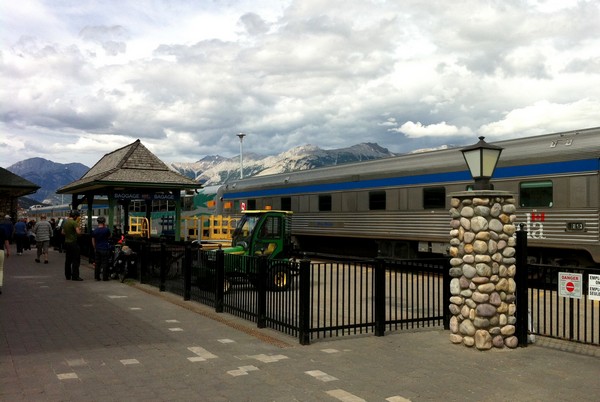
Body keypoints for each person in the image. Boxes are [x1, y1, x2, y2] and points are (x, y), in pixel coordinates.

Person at [62, 210, 83, 281]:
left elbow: (62, 232)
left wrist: (69, 234)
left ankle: (67, 275)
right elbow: (78, 233)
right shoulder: (74, 223)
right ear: (75, 216)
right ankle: (75, 276)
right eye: (77, 216)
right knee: (76, 260)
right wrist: (80, 231)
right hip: (73, 243)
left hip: (66, 243)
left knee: (68, 260)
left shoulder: (65, 222)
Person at [91, 216, 111, 281]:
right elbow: (109, 236)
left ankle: (97, 277)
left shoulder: (95, 231)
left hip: (98, 248)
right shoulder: (106, 230)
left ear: (98, 222)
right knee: (105, 263)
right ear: (104, 222)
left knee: (97, 263)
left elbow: (93, 240)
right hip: (105, 248)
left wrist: (95, 247)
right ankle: (105, 277)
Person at [0, 217, 9, 294]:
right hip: (0, 250)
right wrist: (8, 251)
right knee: (0, 269)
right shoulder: (2, 228)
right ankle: (0, 285)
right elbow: (6, 241)